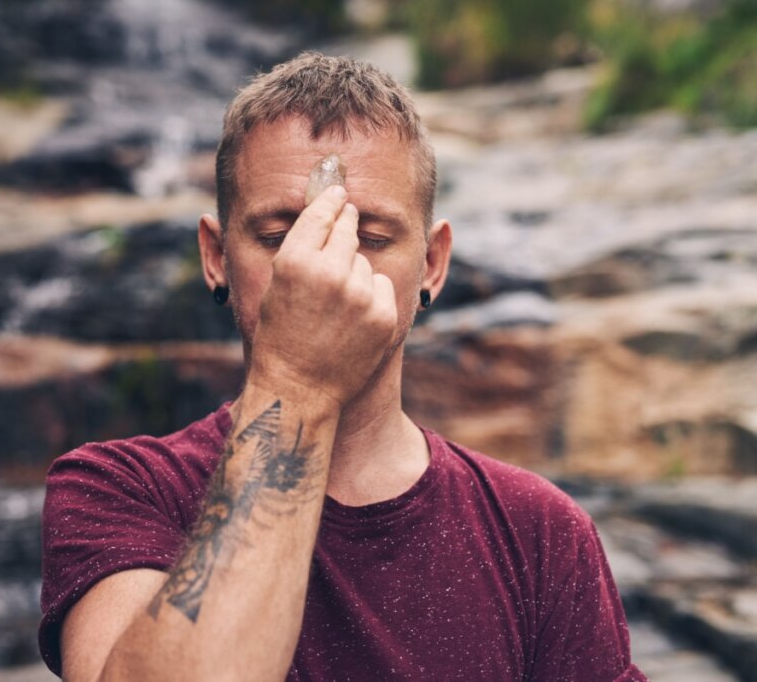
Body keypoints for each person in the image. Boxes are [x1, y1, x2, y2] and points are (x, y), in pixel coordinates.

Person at [38, 52, 647, 682]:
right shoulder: (118, 490)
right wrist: (298, 384)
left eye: (373, 237)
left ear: (433, 264)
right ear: (216, 256)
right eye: (279, 236)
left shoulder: (540, 532)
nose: (323, 270)